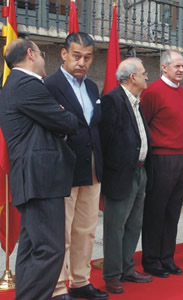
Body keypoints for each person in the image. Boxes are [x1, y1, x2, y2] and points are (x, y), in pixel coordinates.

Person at [0, 38, 78, 300]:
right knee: (50, 249)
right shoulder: (27, 84)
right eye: (42, 53)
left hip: (34, 177)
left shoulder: (18, 84)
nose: (45, 59)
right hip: (40, 177)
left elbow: (53, 121)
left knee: (33, 248)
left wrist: (58, 117)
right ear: (31, 54)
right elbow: (67, 121)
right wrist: (62, 116)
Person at [45, 32, 108, 300]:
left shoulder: (93, 87)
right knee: (63, 231)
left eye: (88, 57)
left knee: (86, 230)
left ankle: (80, 281)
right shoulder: (50, 85)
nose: (82, 62)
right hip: (64, 167)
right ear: (64, 54)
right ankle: (58, 287)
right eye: (76, 56)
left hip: (92, 165)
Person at [99, 58, 152, 293]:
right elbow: (104, 141)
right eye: (143, 73)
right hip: (120, 175)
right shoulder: (113, 100)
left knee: (134, 224)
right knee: (115, 226)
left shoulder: (136, 102)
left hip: (140, 171)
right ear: (132, 77)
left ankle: (127, 267)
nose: (147, 77)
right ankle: (111, 274)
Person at [140, 50, 183, 277]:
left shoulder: (182, 92)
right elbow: (144, 125)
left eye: (182, 66)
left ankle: (167, 257)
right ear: (163, 67)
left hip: (181, 157)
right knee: (155, 211)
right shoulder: (152, 92)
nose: (180, 70)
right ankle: (151, 260)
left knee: (173, 211)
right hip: (160, 157)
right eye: (176, 66)